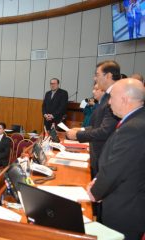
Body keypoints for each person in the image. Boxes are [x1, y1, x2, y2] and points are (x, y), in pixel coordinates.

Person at [87, 78, 145, 240]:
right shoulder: (135, 121)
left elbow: (116, 169)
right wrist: (98, 179)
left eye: (111, 97)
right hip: (124, 202)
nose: (109, 102)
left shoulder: (134, 128)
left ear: (125, 100)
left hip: (126, 211)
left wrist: (95, 191)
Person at [66, 61, 121, 179]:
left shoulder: (115, 95)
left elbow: (105, 130)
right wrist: (80, 130)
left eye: (97, 74)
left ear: (108, 76)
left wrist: (78, 135)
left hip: (104, 154)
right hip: (98, 153)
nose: (94, 78)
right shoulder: (107, 96)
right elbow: (97, 124)